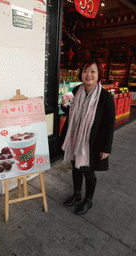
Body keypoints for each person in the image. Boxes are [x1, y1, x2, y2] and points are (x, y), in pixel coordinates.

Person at [61, 59, 115, 215]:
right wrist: (64, 105)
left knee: (88, 171)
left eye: (92, 71)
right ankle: (77, 194)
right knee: (75, 168)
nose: (88, 75)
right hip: (74, 138)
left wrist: (106, 148)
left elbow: (109, 124)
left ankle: (88, 200)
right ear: (81, 74)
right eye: (85, 71)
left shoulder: (105, 97)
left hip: (92, 142)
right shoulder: (76, 89)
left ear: (99, 75)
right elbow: (68, 111)